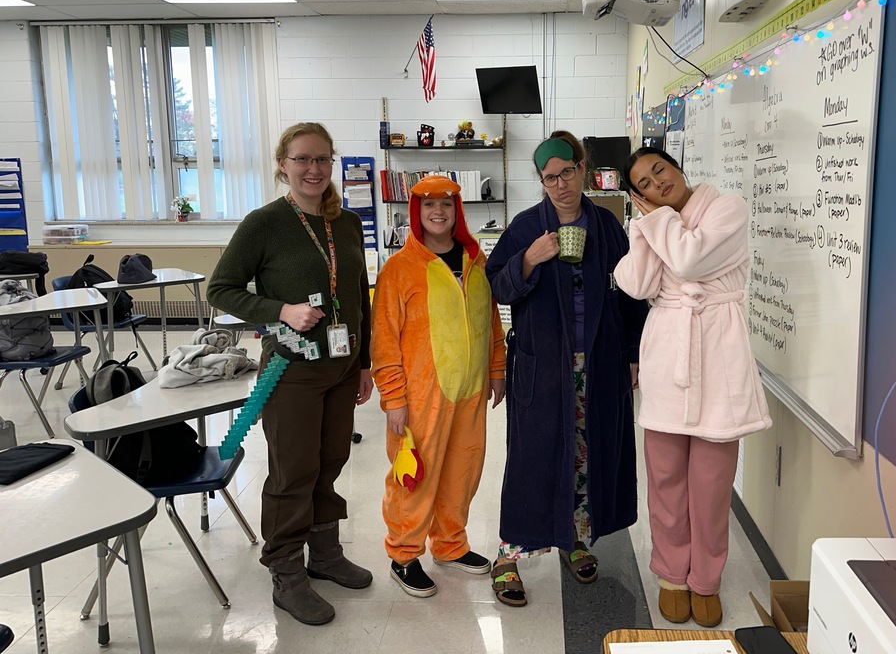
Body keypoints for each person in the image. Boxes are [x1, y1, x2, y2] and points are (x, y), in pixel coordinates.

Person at [207, 122, 374, 626]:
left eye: (322, 159)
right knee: (293, 470)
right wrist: (280, 310)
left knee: (330, 461)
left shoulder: (346, 222)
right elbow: (221, 289)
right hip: (292, 369)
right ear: (283, 164)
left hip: (342, 368)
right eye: (302, 159)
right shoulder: (264, 223)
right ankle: (286, 571)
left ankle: (324, 555)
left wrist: (364, 362)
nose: (313, 169)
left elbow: (358, 297)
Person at [484, 131, 648, 607]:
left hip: (597, 363)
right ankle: (509, 554)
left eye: (567, 173)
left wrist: (633, 353)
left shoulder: (607, 226)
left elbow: (633, 293)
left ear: (582, 170)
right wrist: (528, 259)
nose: (560, 184)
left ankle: (572, 537)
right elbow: (497, 287)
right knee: (531, 459)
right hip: (543, 367)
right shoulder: (524, 228)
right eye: (549, 177)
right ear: (541, 181)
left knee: (586, 453)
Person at [613, 147, 772, 627]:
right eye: (643, 184)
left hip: (718, 352)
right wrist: (642, 228)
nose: (656, 183)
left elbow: (688, 259)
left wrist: (656, 221)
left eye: (659, 170)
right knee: (664, 480)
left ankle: (706, 579)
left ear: (677, 167)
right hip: (668, 356)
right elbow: (635, 283)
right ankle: (671, 575)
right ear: (637, 196)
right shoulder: (655, 224)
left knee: (711, 485)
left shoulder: (727, 208)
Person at [371, 175, 507, 598]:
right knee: (415, 474)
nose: (438, 212)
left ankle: (450, 544)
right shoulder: (398, 269)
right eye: (428, 204)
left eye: (446, 205)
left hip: (470, 389)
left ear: (457, 211)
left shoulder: (476, 261)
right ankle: (404, 554)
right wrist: (393, 397)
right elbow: (384, 340)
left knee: (463, 471)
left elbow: (491, 322)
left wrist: (497, 369)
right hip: (420, 396)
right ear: (416, 211)